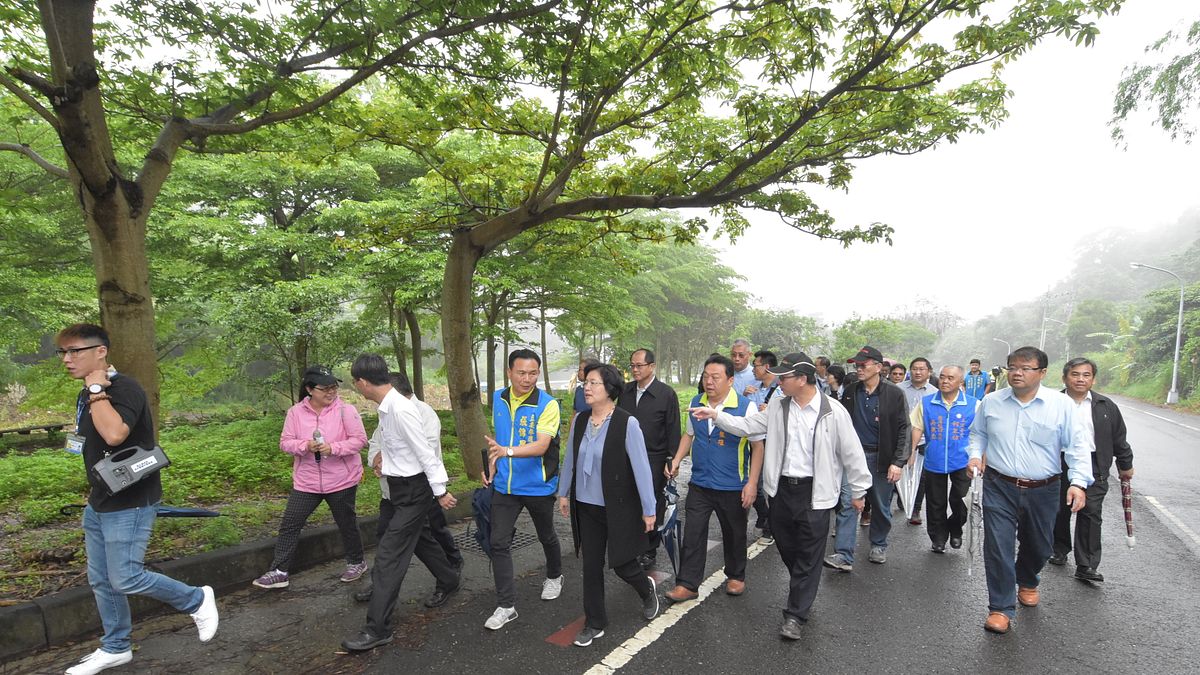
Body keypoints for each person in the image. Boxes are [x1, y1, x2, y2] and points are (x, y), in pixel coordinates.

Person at [56, 323, 217, 675]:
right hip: (100, 500)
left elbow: (115, 435)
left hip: (130, 500)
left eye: (74, 351)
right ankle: (116, 647)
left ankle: (196, 598)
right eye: (63, 352)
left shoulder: (124, 388)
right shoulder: (86, 392)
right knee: (102, 580)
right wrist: (91, 392)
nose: (66, 359)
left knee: (126, 577)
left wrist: (96, 388)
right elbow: (89, 440)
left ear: (101, 351)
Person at [690, 352, 871, 639]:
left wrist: (859, 491)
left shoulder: (833, 411)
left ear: (802, 379)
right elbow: (748, 426)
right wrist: (717, 416)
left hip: (816, 492)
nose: (778, 381)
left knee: (809, 554)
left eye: (784, 377)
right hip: (782, 490)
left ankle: (795, 614)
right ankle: (804, 585)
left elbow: (852, 452)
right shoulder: (778, 406)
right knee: (788, 548)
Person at [967, 346, 1092, 635]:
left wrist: (1078, 483)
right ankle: (1000, 607)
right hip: (999, 485)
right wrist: (974, 455)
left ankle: (1027, 578)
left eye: (1025, 368)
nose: (1017, 373)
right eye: (1012, 367)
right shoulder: (992, 402)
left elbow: (1077, 447)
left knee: (1040, 546)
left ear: (1042, 372)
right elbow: (978, 434)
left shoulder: (1061, 405)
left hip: (1044, 489)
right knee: (997, 545)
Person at [341, 354, 459, 652]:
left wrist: (440, 491)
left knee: (388, 558)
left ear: (363, 382)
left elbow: (426, 453)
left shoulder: (402, 409)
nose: (357, 387)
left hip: (413, 491)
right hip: (398, 489)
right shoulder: (388, 408)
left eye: (355, 383)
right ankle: (449, 579)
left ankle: (377, 629)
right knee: (419, 540)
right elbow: (394, 449)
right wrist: (381, 461)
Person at [559, 363, 660, 647]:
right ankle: (595, 622)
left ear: (610, 389)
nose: (587, 388)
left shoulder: (627, 423)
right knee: (591, 566)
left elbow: (642, 469)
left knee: (623, 564)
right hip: (586, 506)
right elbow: (570, 459)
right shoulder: (581, 420)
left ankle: (646, 589)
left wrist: (649, 509)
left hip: (617, 506)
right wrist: (563, 492)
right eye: (586, 383)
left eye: (594, 383)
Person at [254, 365, 369, 590]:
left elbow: (359, 440)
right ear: (309, 389)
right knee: (290, 523)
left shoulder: (346, 411)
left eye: (333, 387)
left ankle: (356, 562)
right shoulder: (295, 413)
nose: (331, 392)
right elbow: (285, 443)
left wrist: (333, 448)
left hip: (341, 479)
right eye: (324, 388)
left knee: (346, 523)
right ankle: (279, 571)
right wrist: (305, 445)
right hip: (307, 481)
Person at [355, 372, 463, 605]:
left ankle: (448, 573)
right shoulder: (386, 410)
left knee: (427, 536)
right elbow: (375, 443)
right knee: (407, 539)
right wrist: (376, 460)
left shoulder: (423, 413)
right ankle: (444, 579)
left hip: (419, 490)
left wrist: (388, 461)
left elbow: (426, 452)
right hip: (392, 491)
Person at [665, 355, 764, 602]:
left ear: (730, 380)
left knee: (734, 532)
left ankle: (736, 575)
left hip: (732, 484)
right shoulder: (696, 401)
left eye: (715, 377)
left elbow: (757, 447)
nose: (709, 382)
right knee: (693, 533)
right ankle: (687, 584)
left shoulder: (745, 406)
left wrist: (752, 483)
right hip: (700, 483)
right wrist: (676, 461)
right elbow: (689, 435)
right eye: (706, 376)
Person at [481, 349, 564, 631]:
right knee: (498, 542)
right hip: (505, 486)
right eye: (521, 373)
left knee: (546, 535)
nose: (527, 379)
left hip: (538, 485)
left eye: (532, 373)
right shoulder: (499, 398)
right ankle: (506, 606)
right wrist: (491, 464)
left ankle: (554, 575)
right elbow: (498, 439)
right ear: (509, 372)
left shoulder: (547, 404)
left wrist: (507, 451)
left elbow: (541, 446)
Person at [1049, 358, 1135, 583]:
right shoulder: (1052, 403)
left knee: (1091, 511)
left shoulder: (1105, 406)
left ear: (1093, 379)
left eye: (1086, 375)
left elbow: (1119, 438)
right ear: (1064, 378)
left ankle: (1086, 564)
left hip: (1095, 463)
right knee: (1059, 508)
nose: (1080, 379)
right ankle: (1058, 549)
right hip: (1058, 463)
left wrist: (1125, 464)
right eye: (1075, 374)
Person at [826, 346, 910, 571]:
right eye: (857, 365)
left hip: (881, 457)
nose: (859, 369)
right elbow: (841, 423)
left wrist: (898, 462)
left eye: (863, 365)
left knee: (881, 505)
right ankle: (843, 554)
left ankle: (879, 544)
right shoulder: (851, 391)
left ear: (879, 367)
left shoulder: (894, 394)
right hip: (853, 457)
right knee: (848, 503)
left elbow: (904, 428)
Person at [617, 348, 682, 569]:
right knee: (628, 501)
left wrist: (672, 459)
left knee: (652, 501)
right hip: (626, 457)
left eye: (639, 365)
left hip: (654, 457)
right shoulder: (625, 392)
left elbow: (673, 428)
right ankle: (631, 546)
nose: (635, 369)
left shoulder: (665, 394)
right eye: (632, 365)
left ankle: (649, 548)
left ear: (652, 366)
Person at [909, 366, 976, 553]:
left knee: (961, 500)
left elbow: (980, 433)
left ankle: (955, 528)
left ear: (960, 382)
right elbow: (917, 427)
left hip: (962, 460)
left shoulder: (973, 404)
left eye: (950, 378)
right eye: (943, 377)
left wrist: (980, 458)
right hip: (934, 458)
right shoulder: (926, 402)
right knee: (935, 502)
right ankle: (938, 537)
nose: (945, 381)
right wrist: (911, 451)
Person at [897, 357, 938, 525]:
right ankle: (901, 496)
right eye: (914, 368)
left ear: (929, 372)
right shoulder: (898, 389)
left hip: (923, 440)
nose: (918, 372)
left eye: (922, 369)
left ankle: (916, 508)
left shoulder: (935, 393)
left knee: (921, 476)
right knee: (896, 470)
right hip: (899, 438)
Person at [748, 350, 780, 540]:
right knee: (754, 483)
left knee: (772, 484)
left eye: (756, 365)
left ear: (767, 367)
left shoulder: (782, 391)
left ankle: (773, 523)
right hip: (754, 439)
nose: (753, 369)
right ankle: (765, 516)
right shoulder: (753, 389)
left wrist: (772, 411)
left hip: (774, 442)